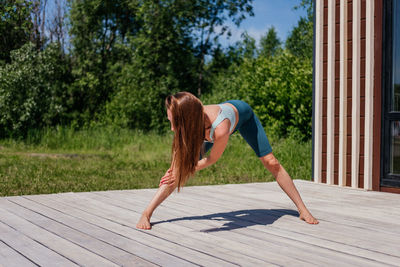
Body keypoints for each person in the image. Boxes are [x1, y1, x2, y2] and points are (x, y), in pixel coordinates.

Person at [136, 92, 319, 230]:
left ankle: (302, 209)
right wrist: (175, 171)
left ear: (188, 119)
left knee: (271, 162)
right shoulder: (188, 121)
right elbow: (176, 163)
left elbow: (211, 159)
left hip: (244, 117)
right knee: (174, 173)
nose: (172, 128)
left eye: (174, 123)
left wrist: (186, 170)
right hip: (203, 128)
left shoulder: (220, 128)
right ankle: (147, 213)